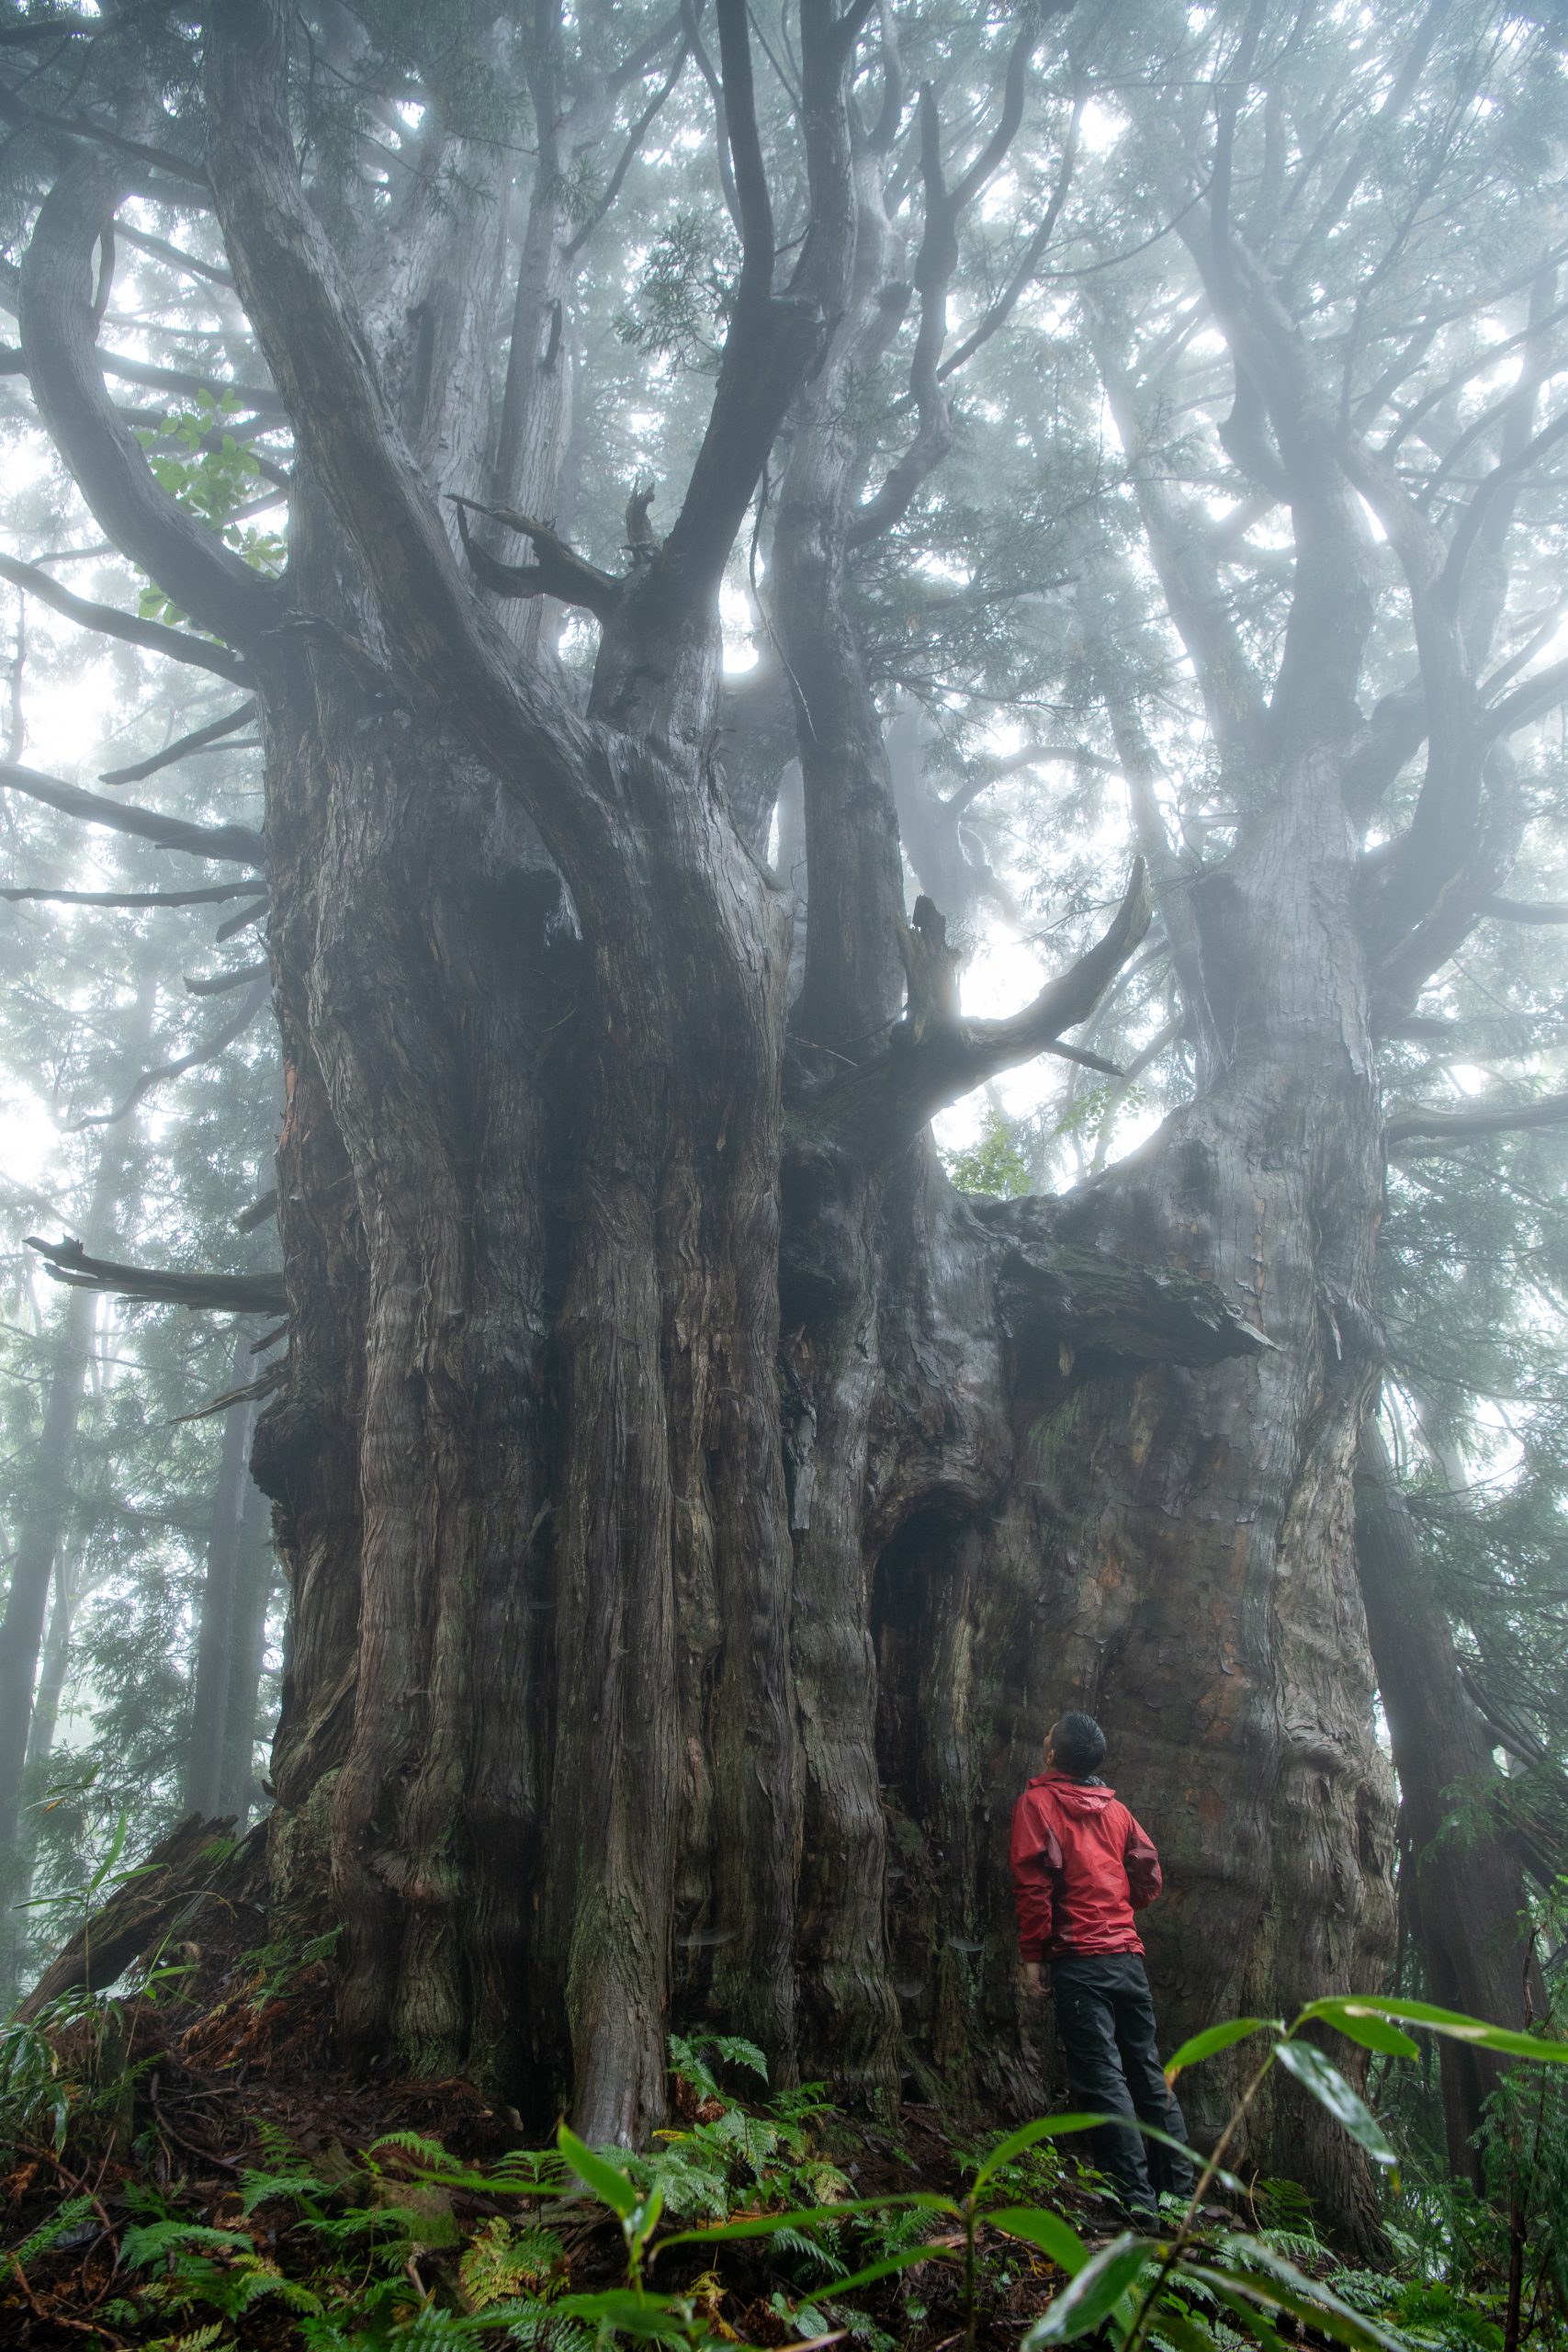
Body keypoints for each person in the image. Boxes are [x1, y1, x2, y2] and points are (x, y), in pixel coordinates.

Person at [1011, 1710, 1196, 2225]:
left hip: (1080, 1961)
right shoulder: (1116, 1811)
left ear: (1053, 1756)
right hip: (1126, 1958)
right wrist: (1122, 1907)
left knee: (1103, 2079)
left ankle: (1134, 2206)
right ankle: (1177, 2200)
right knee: (1145, 2072)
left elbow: (1033, 1886)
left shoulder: (1038, 1804)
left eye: (1047, 1734)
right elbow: (1147, 1867)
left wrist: (1033, 1958)